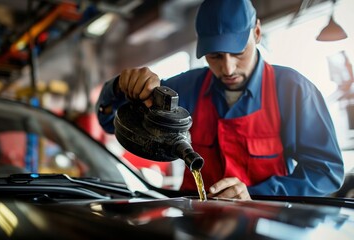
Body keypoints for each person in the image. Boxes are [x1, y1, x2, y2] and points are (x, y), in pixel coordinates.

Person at [96, 0, 344, 200]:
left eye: (238, 53)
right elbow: (109, 122)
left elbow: (326, 172)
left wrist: (256, 194)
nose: (227, 69)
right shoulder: (184, 88)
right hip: (195, 223)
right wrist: (119, 87)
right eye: (215, 56)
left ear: (256, 33)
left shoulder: (294, 91)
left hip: (265, 225)